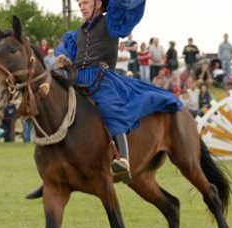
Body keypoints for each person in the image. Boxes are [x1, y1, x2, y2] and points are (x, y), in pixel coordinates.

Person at [61, 0, 181, 176]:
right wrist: (65, 62)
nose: (81, 7)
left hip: (102, 79)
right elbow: (76, 58)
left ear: (98, 3)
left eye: (85, 3)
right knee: (59, 106)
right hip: (78, 78)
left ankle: (122, 157)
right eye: (79, 4)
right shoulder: (77, 33)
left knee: (110, 108)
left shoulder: (110, 21)